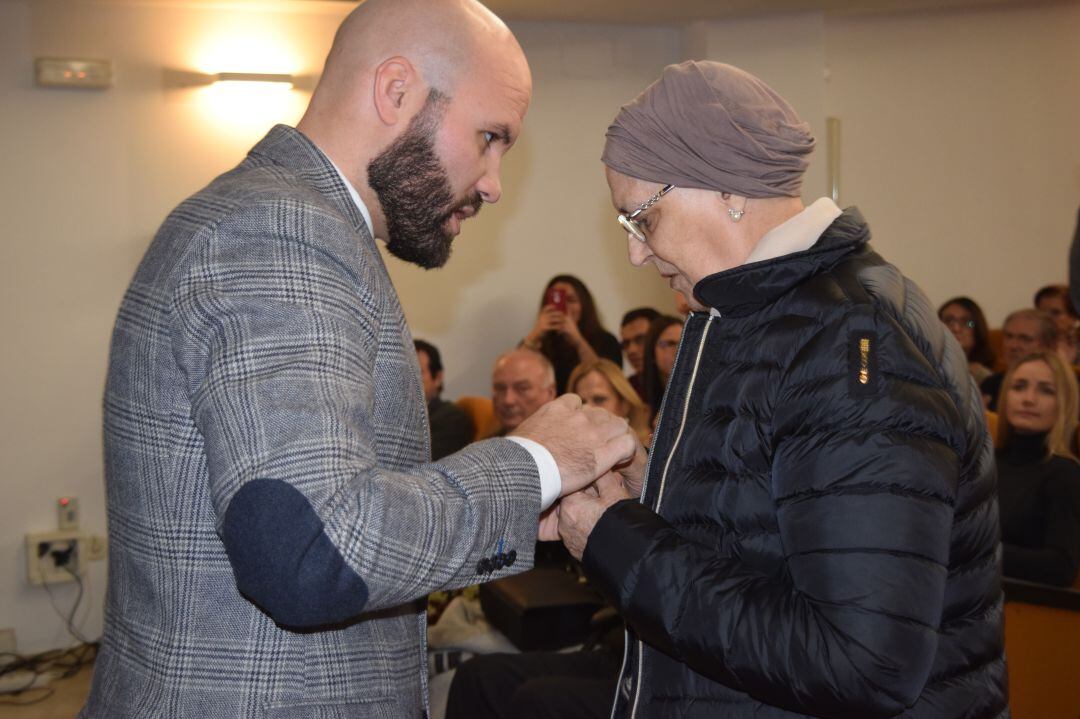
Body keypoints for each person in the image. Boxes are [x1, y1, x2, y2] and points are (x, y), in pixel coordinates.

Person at [81, 2, 638, 716]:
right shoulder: (281, 231)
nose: (495, 181)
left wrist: (511, 506)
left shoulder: (291, 223)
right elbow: (312, 550)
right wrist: (533, 466)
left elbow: (326, 498)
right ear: (397, 89)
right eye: (490, 136)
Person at [555, 61, 1007, 718]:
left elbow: (860, 659)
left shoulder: (849, 339)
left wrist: (616, 540)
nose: (636, 255)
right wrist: (652, 488)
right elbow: (771, 527)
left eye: (641, 220)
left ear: (727, 189)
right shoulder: (768, 317)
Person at [995, 351, 1080, 587]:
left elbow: (1061, 566)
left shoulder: (1064, 473)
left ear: (1064, 403)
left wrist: (980, 552)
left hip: (1020, 606)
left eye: (1046, 390)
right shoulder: (982, 461)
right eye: (1019, 387)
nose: (1029, 399)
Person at [522, 275, 622, 394]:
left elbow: (608, 385)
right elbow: (512, 374)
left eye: (571, 300)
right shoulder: (539, 342)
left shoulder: (606, 340)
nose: (564, 308)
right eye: (556, 300)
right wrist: (535, 334)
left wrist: (578, 340)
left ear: (584, 305)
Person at [981, 308, 1058, 410]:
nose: (1013, 346)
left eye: (1025, 339)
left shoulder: (1060, 387)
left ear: (1049, 346)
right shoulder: (990, 384)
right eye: (1009, 336)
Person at [568, 358, 650, 446]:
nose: (588, 408)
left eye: (599, 400)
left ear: (624, 405)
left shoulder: (651, 451)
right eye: (581, 402)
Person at [415, 339, 474, 460]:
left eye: (417, 372)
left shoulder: (452, 419)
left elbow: (422, 464)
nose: (407, 378)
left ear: (438, 378)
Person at [491, 348, 558, 434]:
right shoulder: (484, 445)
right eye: (500, 388)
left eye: (522, 388)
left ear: (550, 393)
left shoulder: (569, 443)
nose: (508, 400)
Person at [938, 296, 997, 384]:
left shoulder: (985, 377)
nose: (956, 328)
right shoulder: (925, 365)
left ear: (978, 330)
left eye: (967, 322)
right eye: (948, 320)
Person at [640, 314, 683, 421]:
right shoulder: (639, 395)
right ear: (652, 352)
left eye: (684, 343)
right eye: (670, 343)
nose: (679, 350)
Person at [618, 307, 659, 397]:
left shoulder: (683, 382)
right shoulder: (626, 390)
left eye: (640, 340)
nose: (631, 350)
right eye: (626, 343)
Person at [1035, 284, 1079, 363]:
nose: (1047, 317)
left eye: (1055, 313)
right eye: (1041, 312)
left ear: (1073, 317)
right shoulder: (1031, 343)